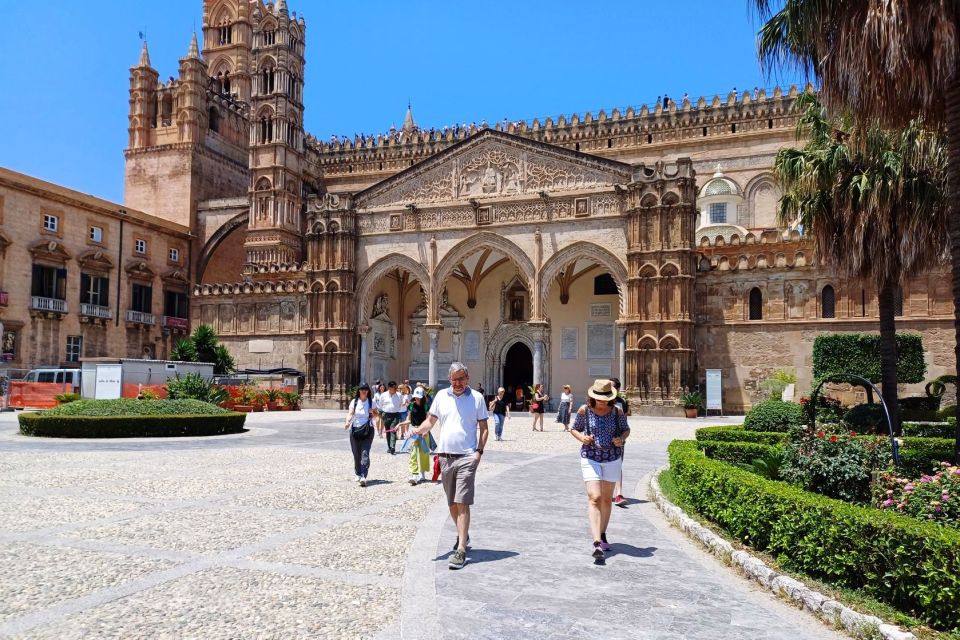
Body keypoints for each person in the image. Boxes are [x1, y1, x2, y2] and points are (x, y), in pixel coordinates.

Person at [411, 362, 488, 570]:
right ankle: (464, 533)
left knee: (462, 502)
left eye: (461, 379)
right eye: (454, 379)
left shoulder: (477, 398)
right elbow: (430, 421)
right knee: (452, 503)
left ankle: (461, 549)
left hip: (466, 457)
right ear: (449, 378)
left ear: (468, 378)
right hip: (444, 457)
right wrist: (418, 429)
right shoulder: (441, 396)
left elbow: (484, 428)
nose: (458, 383)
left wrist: (478, 453)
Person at [570, 379, 630, 560]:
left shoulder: (617, 411)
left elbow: (626, 430)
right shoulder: (584, 410)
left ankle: (602, 534)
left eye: (606, 398)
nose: (603, 401)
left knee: (606, 499)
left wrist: (621, 439)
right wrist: (582, 438)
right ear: (592, 397)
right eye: (599, 398)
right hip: (590, 457)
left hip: (612, 458)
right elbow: (574, 429)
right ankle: (596, 542)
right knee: (594, 497)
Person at [344, 383, 378, 487]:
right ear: (359, 390)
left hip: (368, 430)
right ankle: (358, 472)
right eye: (362, 389)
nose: (364, 391)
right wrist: (347, 421)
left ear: (368, 391)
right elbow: (350, 413)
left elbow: (377, 414)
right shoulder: (354, 402)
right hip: (355, 430)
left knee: (364, 453)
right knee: (356, 453)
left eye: (366, 389)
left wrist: (373, 412)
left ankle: (363, 475)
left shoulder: (371, 402)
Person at [399, 387, 432, 484]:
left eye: (419, 397)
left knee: (424, 453)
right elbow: (409, 419)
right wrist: (400, 424)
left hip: (423, 431)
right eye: (416, 397)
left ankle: (422, 473)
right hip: (413, 431)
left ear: (422, 397)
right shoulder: (411, 406)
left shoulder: (426, 406)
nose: (417, 399)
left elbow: (428, 420)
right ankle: (414, 474)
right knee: (412, 453)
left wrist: (426, 431)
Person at [610, 377, 629, 506]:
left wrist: (622, 438)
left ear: (617, 389)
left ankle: (618, 494)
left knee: (617, 465)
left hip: (617, 439)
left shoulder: (622, 403)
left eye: (611, 387)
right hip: (601, 440)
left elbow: (625, 424)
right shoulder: (599, 401)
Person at [380, 381, 403, 454]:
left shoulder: (399, 395)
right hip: (386, 415)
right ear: (390, 388)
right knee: (388, 431)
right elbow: (381, 405)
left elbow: (400, 404)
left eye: (396, 387)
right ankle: (389, 447)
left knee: (393, 429)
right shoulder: (383, 395)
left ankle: (393, 446)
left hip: (395, 415)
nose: (396, 389)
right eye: (394, 388)